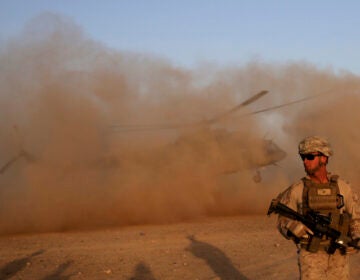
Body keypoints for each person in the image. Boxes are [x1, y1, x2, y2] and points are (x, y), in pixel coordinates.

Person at [275, 136, 360, 279]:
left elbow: (356, 217)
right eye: (303, 157)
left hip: (339, 255)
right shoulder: (297, 189)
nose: (305, 162)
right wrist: (293, 227)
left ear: (324, 158)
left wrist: (356, 238)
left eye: (309, 157)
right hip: (311, 257)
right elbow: (282, 219)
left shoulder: (343, 187)